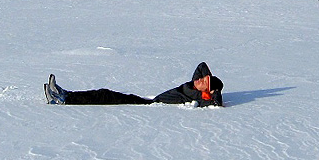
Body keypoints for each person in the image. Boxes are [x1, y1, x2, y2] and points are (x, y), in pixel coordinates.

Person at [44, 62, 224, 107]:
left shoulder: (199, 96)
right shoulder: (193, 85)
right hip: (147, 101)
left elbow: (216, 101)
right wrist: (207, 79)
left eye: (203, 81)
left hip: (147, 106)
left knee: (105, 95)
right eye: (202, 78)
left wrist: (212, 91)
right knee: (105, 93)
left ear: (206, 91)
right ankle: (65, 94)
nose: (199, 79)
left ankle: (63, 99)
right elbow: (201, 65)